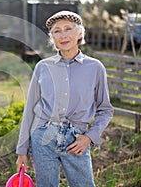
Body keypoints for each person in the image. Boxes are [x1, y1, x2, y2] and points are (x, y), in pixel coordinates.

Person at [15, 10, 114, 187]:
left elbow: (105, 110)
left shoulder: (95, 68)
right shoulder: (42, 67)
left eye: (68, 28)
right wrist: (22, 151)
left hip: (76, 140)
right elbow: (30, 109)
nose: (63, 35)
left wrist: (89, 137)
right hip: (43, 137)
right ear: (52, 38)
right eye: (56, 31)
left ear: (79, 33)